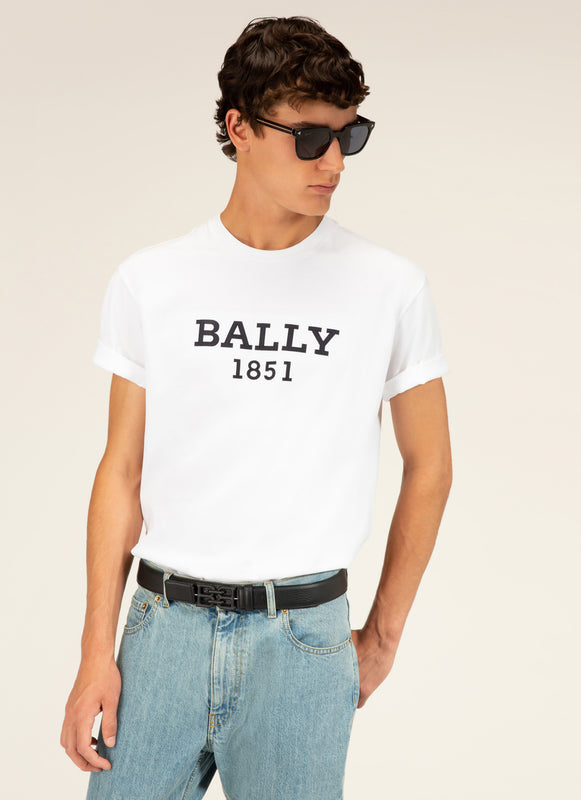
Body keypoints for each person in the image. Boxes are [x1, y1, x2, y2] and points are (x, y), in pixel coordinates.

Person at [60, 15, 452, 800]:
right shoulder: (152, 280)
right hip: (161, 633)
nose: (332, 161)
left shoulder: (387, 286)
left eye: (349, 135)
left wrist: (381, 635)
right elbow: (121, 470)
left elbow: (430, 467)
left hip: (301, 640)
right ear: (239, 128)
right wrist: (95, 652)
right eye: (309, 138)